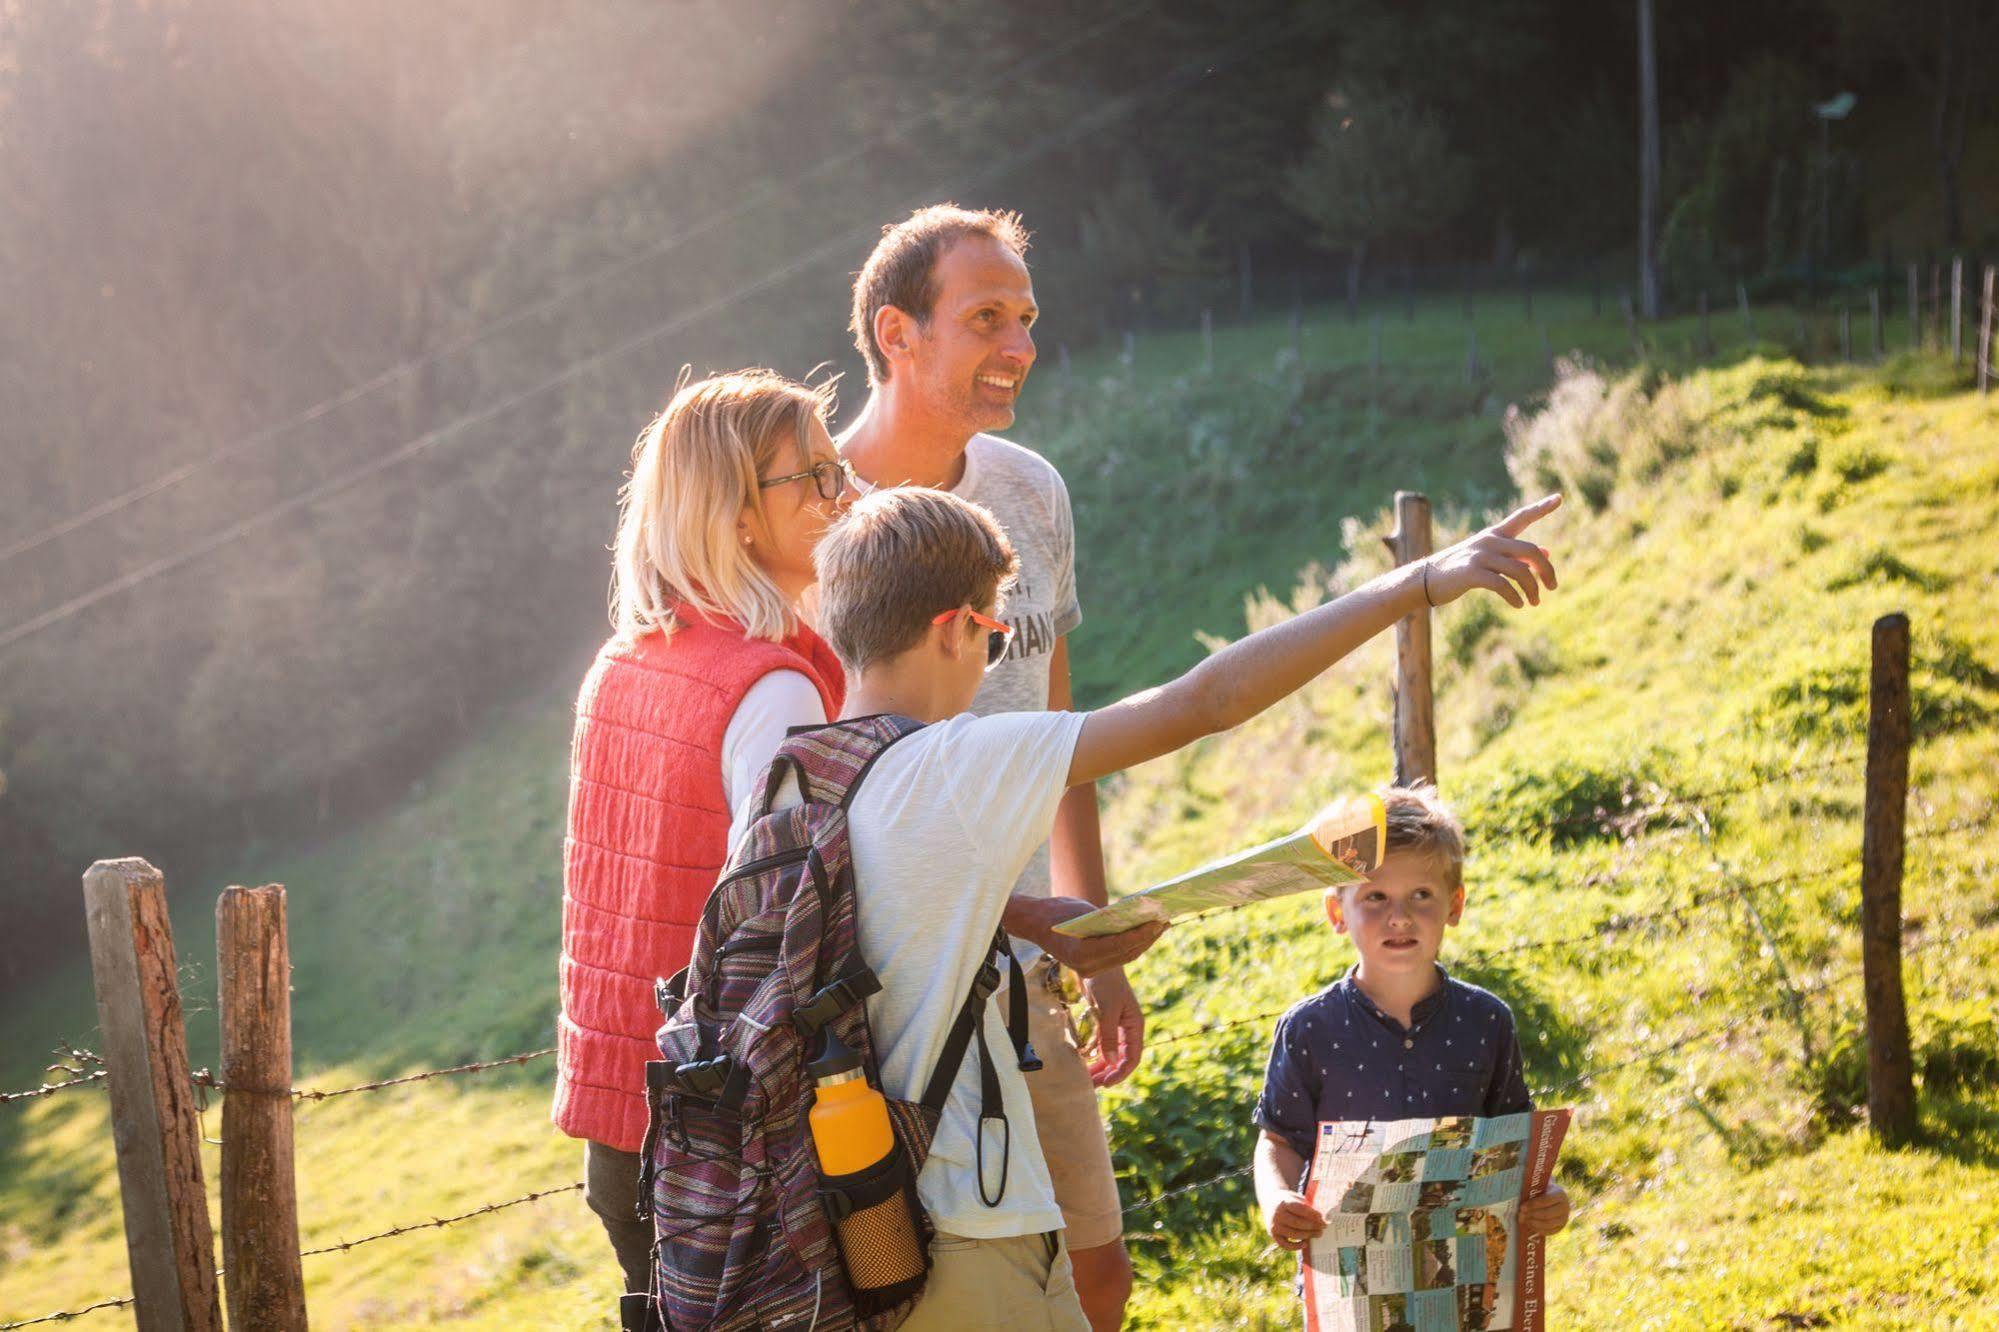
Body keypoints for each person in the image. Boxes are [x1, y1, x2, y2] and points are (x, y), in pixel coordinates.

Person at [793, 483, 1560, 1328]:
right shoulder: (955, 760)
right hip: (967, 1224)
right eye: (995, 635)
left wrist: (1018, 916)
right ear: (953, 630)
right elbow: (1205, 702)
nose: (990, 663)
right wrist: (1418, 583)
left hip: (862, 1208)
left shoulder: (802, 771)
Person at [839, 203, 1152, 1328]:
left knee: (1099, 1273)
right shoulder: (813, 515)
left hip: (1028, 968)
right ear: (896, 333)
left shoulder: (1031, 492)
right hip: (883, 991)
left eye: (1025, 318)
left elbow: (1059, 734)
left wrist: (1098, 939)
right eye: (984, 318)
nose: (1017, 345)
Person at [551, 368, 857, 1297]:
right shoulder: (773, 689)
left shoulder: (621, 663)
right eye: (805, 476)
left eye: (833, 466)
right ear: (733, 518)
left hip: (627, 1117)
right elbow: (794, 933)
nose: (837, 494)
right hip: (731, 1141)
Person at [1251, 785, 1573, 1269]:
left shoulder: (1486, 1022)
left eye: (1421, 895)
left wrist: (1546, 1194)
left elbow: (1515, 1142)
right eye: (1375, 897)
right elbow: (1277, 1141)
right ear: (1338, 913)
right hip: (1349, 1276)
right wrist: (1277, 1198)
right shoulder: (1309, 1029)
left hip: (1464, 1268)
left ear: (1454, 906)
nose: (1399, 917)